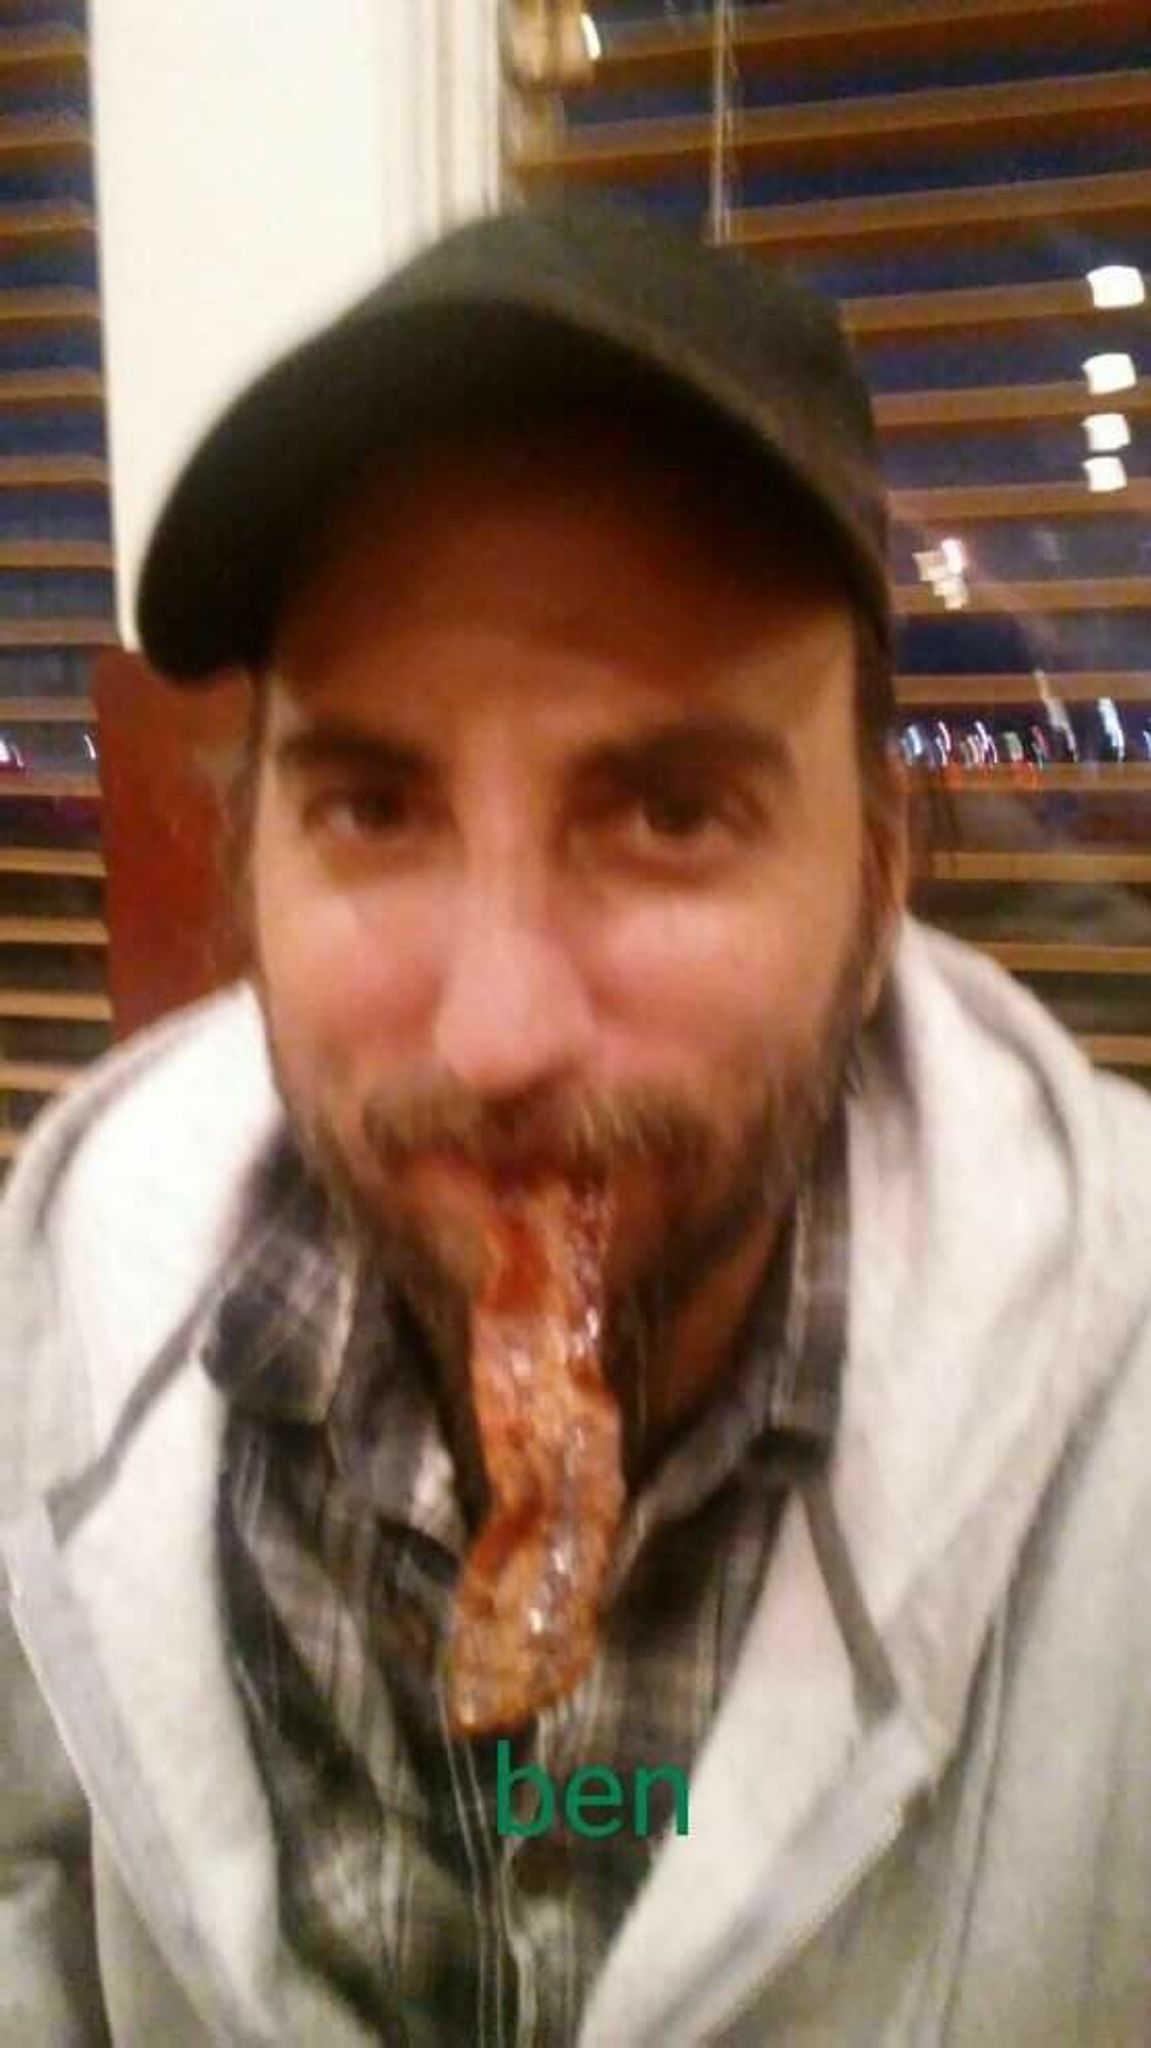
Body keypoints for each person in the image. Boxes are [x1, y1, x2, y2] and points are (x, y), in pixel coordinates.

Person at [1, 200, 1149, 2047]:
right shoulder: (41, 1337)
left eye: (672, 815)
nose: (499, 1032)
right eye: (375, 807)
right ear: (247, 851)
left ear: (880, 879)